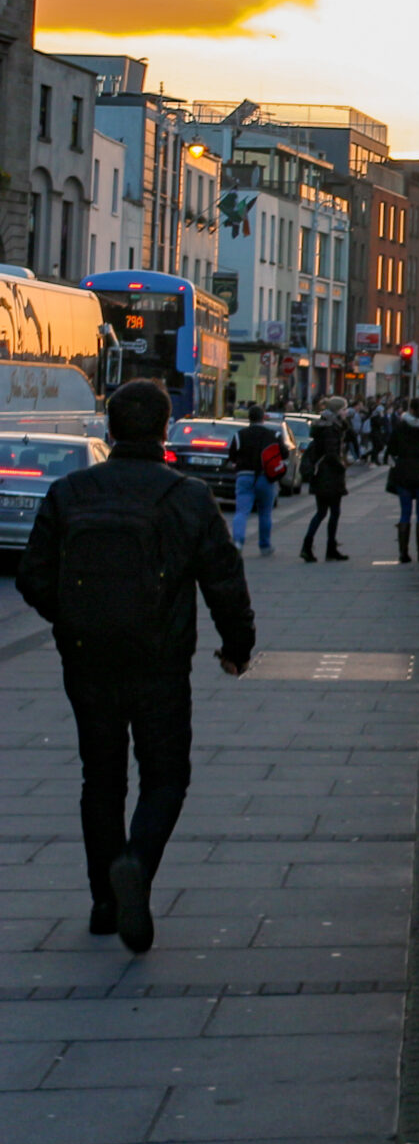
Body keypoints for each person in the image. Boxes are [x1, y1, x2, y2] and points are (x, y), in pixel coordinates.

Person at [17, 379, 254, 953]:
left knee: (100, 779)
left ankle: (104, 900)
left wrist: (73, 618)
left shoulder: (71, 491)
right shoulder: (188, 497)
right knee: (166, 775)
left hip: (87, 659)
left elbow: (32, 578)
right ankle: (137, 865)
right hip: (160, 661)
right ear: (165, 430)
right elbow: (223, 579)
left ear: (111, 428)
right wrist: (236, 646)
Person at [226, 406, 285, 555]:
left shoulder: (240, 435)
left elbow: (232, 455)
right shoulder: (273, 434)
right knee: (265, 513)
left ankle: (238, 542)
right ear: (263, 417)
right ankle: (264, 546)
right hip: (266, 477)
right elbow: (283, 453)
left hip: (244, 476)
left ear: (249, 418)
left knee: (241, 511)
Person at [299, 397, 351, 563]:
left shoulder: (325, 426)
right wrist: (342, 465)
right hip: (329, 476)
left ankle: (311, 546)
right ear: (337, 411)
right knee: (332, 513)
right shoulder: (331, 429)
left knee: (322, 512)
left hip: (322, 475)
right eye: (344, 409)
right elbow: (331, 454)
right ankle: (327, 548)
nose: (346, 412)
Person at [386, 395, 419, 563]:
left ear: (411, 410)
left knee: (405, 513)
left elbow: (391, 448)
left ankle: (403, 553)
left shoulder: (401, 426)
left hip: (403, 472)